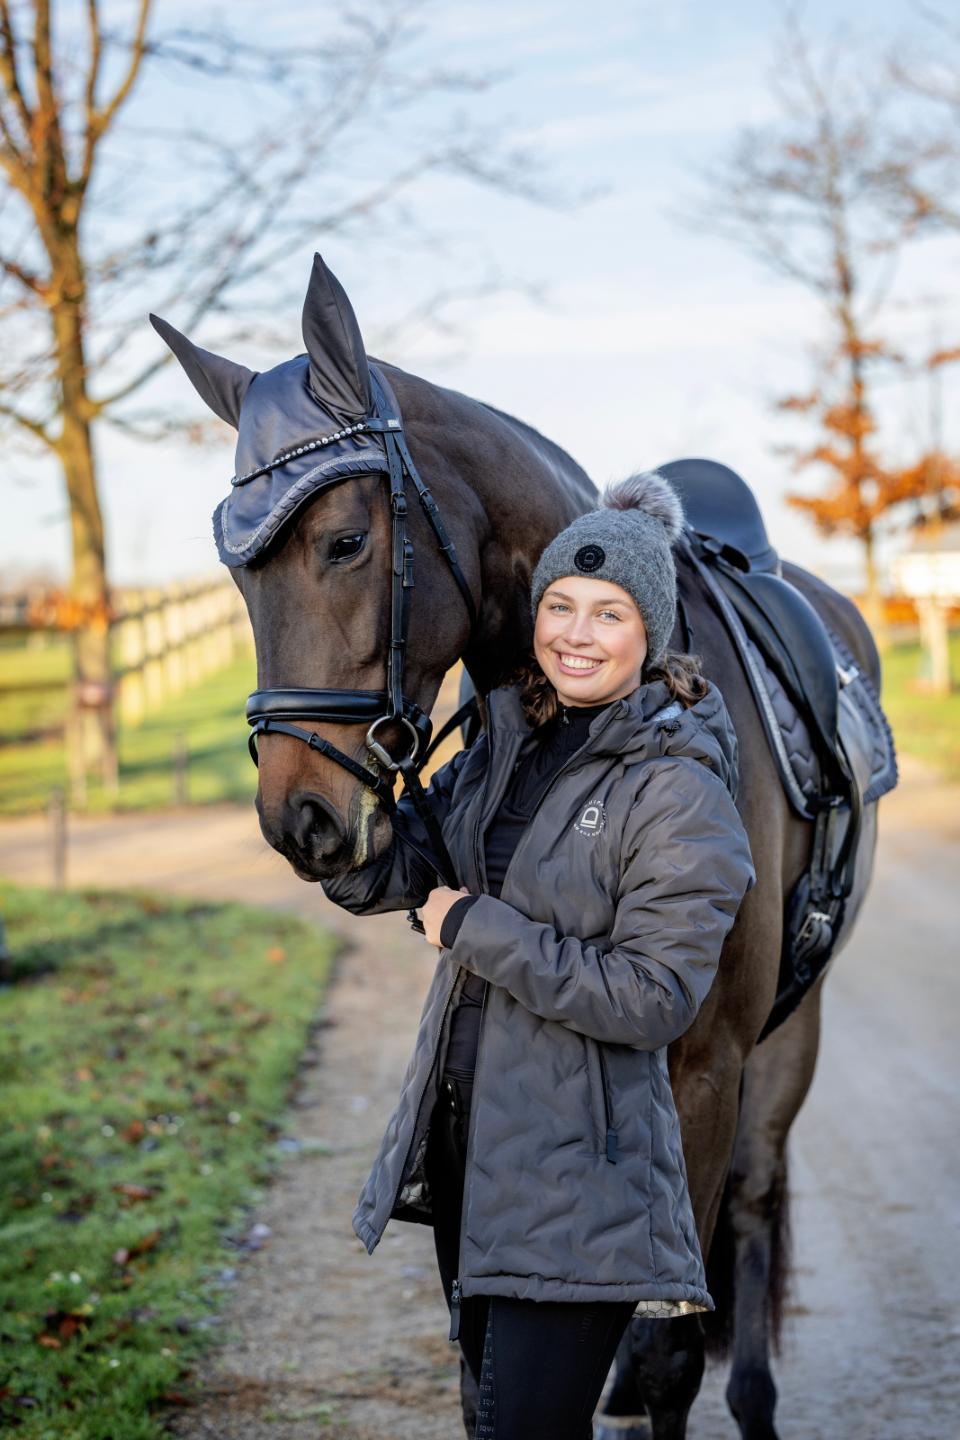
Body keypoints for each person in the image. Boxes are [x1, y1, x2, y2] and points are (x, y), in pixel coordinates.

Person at [320, 471, 756, 1439]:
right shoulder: (510, 737)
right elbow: (416, 868)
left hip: (579, 1188)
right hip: (476, 1154)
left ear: (651, 635)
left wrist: (476, 928)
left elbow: (652, 998)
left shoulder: (681, 790)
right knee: (490, 1420)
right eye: (560, 605)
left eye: (608, 614)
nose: (575, 633)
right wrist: (336, 834)